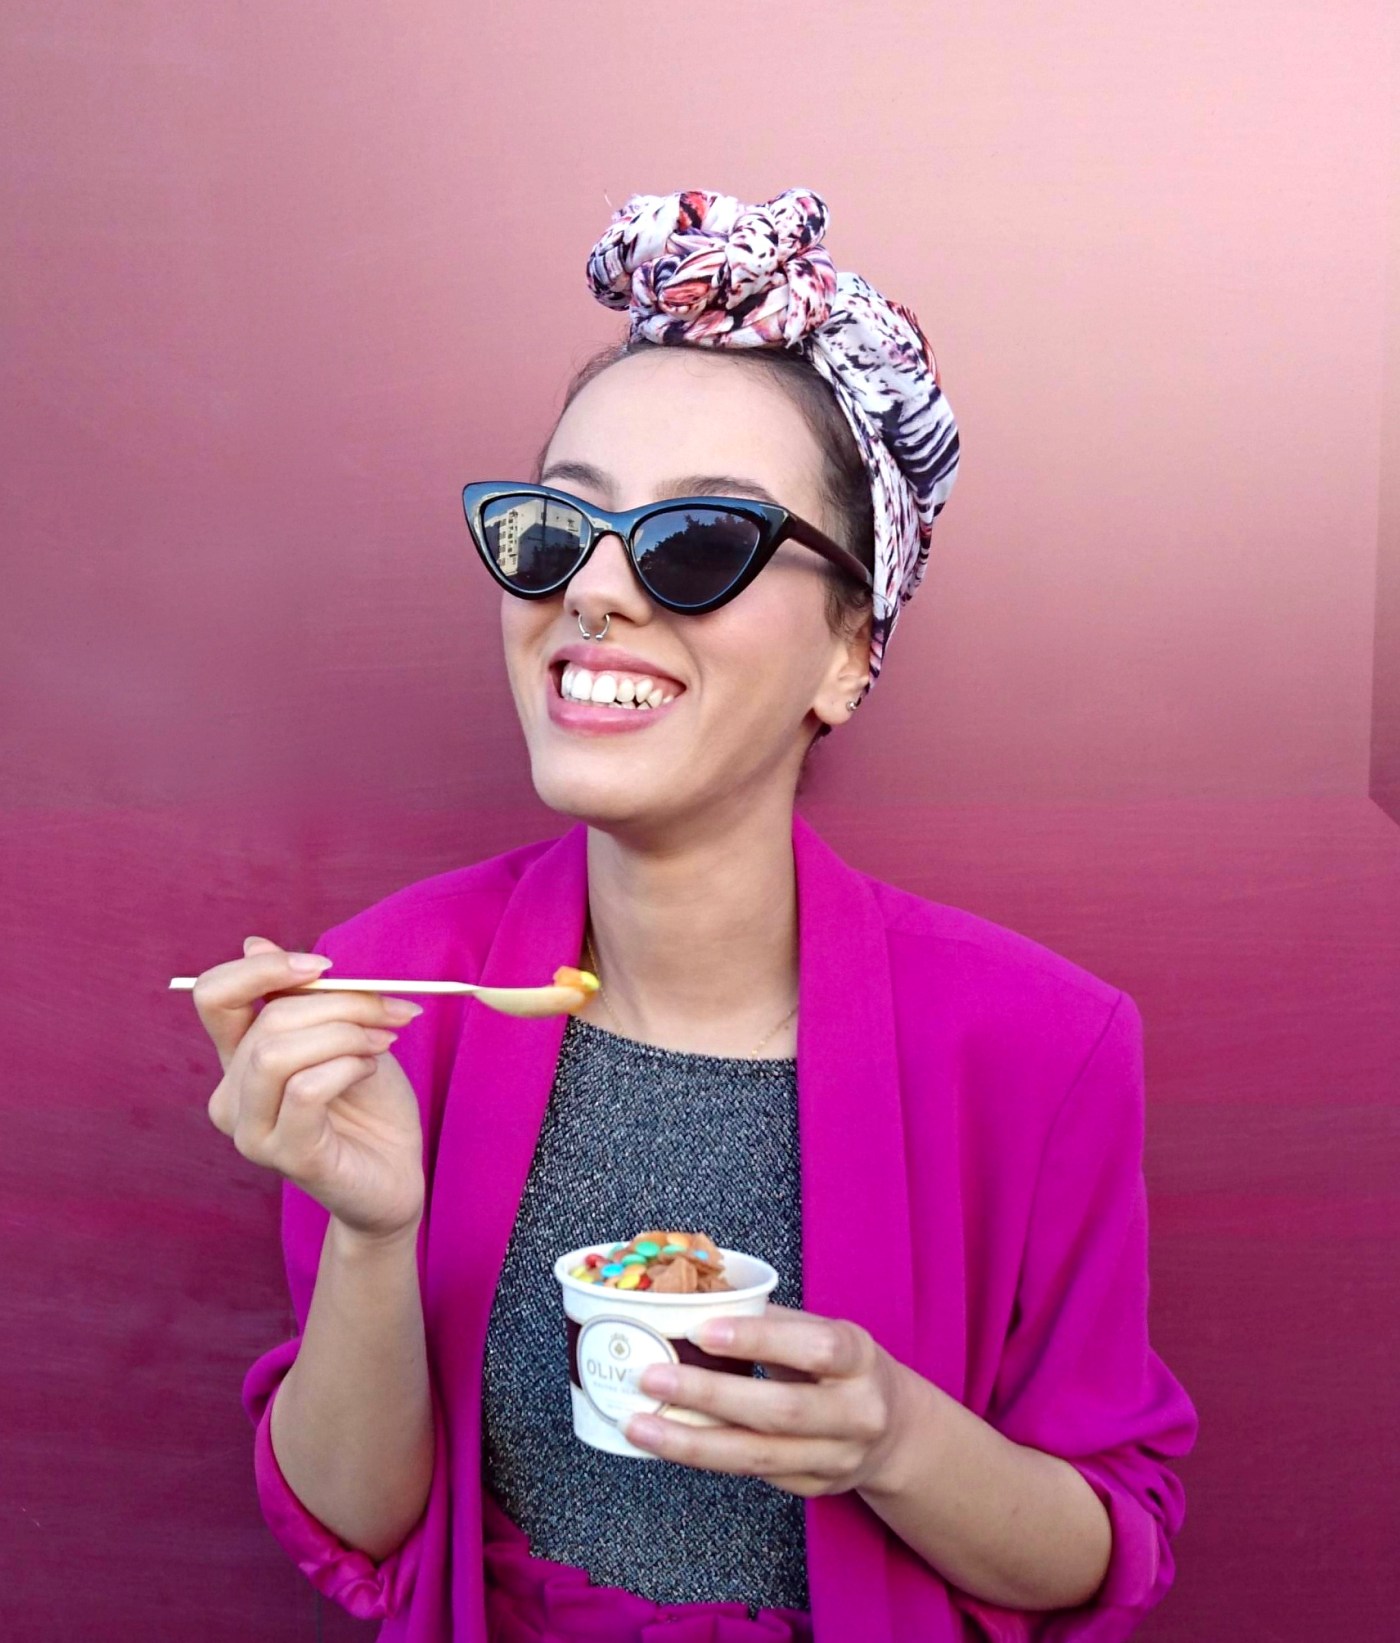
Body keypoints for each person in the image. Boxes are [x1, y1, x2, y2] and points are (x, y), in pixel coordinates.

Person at [194, 187, 1197, 1642]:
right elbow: (358, 1527)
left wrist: (895, 1439)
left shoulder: (1043, 1047)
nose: (595, 591)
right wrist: (368, 1232)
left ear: (850, 652)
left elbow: (1098, 1550)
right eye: (559, 526)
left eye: (700, 539)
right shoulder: (389, 993)